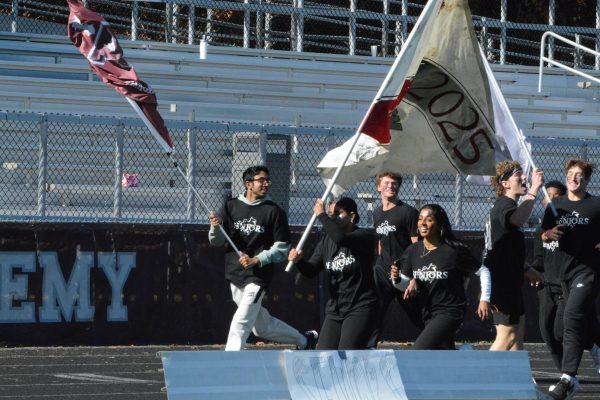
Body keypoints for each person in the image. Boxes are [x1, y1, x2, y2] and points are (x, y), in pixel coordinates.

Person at [208, 165, 317, 351]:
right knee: (261, 326)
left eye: (268, 180)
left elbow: (282, 248)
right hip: (235, 274)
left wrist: (257, 260)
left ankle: (230, 360)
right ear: (248, 184)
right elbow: (216, 241)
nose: (266, 184)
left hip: (257, 277)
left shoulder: (274, 211)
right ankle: (305, 341)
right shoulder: (230, 206)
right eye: (261, 180)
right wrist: (215, 228)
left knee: (241, 320)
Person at [390, 204, 491, 349]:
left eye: (429, 220)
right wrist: (396, 278)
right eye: (420, 219)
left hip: (450, 311)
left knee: (418, 351)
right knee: (442, 355)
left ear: (439, 225)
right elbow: (404, 284)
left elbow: (484, 271)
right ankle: (466, 355)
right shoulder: (413, 250)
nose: (423, 223)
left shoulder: (453, 250)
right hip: (427, 312)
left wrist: (484, 299)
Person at [541, 159, 600, 399]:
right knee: (558, 331)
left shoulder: (595, 205)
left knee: (573, 315)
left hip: (587, 271)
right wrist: (549, 234)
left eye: (579, 176)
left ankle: (568, 377)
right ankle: (594, 346)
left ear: (587, 180)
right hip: (561, 274)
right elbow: (543, 235)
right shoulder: (555, 205)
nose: (573, 179)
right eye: (570, 174)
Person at [288, 197, 378, 349]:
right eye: (330, 214)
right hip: (336, 308)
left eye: (338, 213)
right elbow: (311, 270)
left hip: (360, 306)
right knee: (324, 354)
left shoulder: (364, 236)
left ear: (352, 216)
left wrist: (321, 215)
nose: (332, 217)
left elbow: (341, 238)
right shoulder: (326, 242)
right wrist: (299, 261)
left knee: (348, 351)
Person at [485, 160, 543, 352]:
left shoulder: (506, 206)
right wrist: (533, 190)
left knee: (518, 332)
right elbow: (517, 220)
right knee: (507, 335)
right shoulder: (504, 205)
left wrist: (527, 269)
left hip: (509, 279)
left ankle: (517, 379)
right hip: (502, 282)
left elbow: (506, 248)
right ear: (505, 183)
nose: (524, 177)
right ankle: (478, 378)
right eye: (518, 174)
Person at [368, 172, 422, 348]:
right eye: (386, 183)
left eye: (394, 183)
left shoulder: (408, 212)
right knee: (375, 309)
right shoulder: (376, 214)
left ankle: (443, 343)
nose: (391, 186)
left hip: (404, 272)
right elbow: (381, 243)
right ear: (378, 187)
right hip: (382, 270)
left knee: (416, 312)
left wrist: (414, 276)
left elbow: (417, 245)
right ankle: (368, 346)